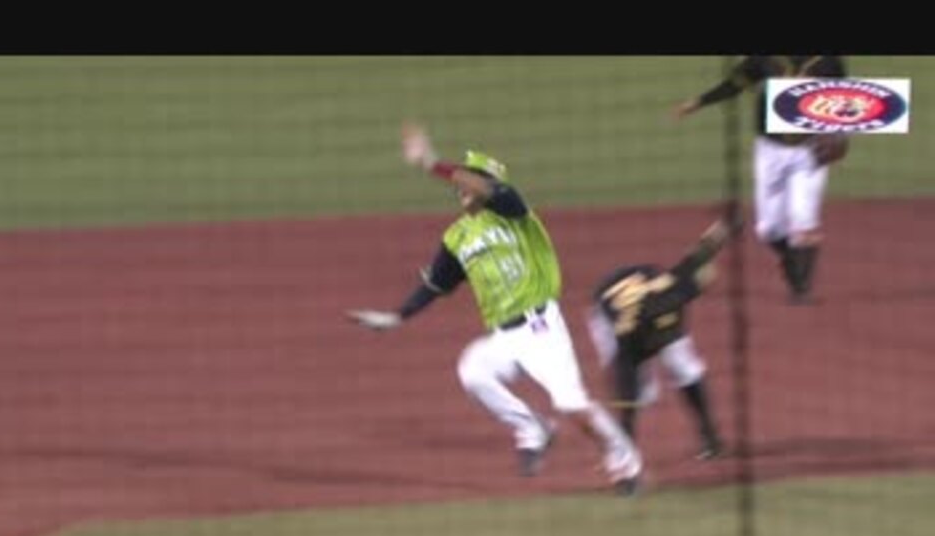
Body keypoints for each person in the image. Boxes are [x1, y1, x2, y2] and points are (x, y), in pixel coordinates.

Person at [347, 122, 643, 493]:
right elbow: (436, 284)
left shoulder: (512, 211)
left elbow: (489, 190)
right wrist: (397, 317)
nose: (462, 186)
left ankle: (624, 462)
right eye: (461, 180)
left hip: (541, 329)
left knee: (571, 404)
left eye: (470, 179)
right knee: (473, 370)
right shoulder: (457, 236)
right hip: (505, 336)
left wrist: (430, 163)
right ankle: (533, 428)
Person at [674, 55, 848, 304]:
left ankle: (801, 287)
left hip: (810, 151)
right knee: (768, 229)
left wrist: (840, 136)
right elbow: (733, 85)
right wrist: (699, 102)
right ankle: (789, 258)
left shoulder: (828, 61)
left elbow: (848, 101)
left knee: (803, 219)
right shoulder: (763, 59)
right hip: (769, 151)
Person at [585, 208, 741, 461]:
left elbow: (701, 254)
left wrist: (725, 227)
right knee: (640, 393)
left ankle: (710, 436)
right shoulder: (626, 334)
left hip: (646, 287)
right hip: (607, 311)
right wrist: (626, 451)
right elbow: (625, 392)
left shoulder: (680, 289)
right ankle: (623, 450)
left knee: (685, 366)